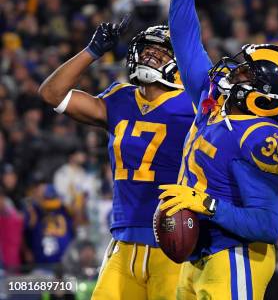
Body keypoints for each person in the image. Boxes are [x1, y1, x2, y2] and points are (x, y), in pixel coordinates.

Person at [156, 0, 278, 299]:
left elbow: (268, 224)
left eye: (245, 72)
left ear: (265, 92)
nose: (232, 72)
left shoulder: (263, 136)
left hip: (236, 258)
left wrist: (205, 204)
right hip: (198, 259)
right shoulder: (214, 106)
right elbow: (187, 44)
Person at [38, 17, 195, 299]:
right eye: (147, 49)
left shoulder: (195, 106)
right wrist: (92, 51)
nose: (150, 55)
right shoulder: (119, 97)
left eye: (161, 52)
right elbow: (51, 93)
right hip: (123, 241)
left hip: (174, 241)